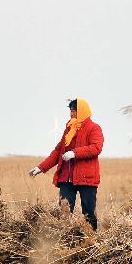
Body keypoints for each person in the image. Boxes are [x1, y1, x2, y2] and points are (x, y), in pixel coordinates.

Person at [29, 98, 104, 230]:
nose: (71, 114)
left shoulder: (94, 128)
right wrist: (41, 167)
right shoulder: (69, 129)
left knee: (88, 213)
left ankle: (91, 240)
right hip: (66, 178)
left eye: (74, 110)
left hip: (86, 178)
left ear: (82, 111)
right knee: (64, 213)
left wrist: (75, 153)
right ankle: (65, 242)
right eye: (70, 110)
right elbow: (58, 151)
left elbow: (96, 148)